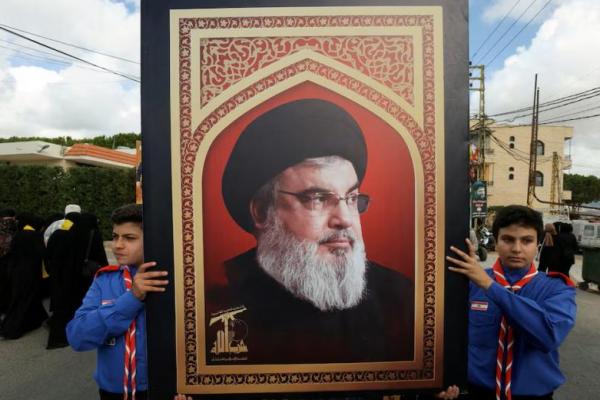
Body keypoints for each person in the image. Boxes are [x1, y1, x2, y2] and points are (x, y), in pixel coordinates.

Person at [206, 98, 414, 365]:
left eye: (351, 199)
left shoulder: (398, 298)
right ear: (261, 211)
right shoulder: (215, 298)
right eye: (317, 199)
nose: (344, 220)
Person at [447, 205, 576, 400]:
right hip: (476, 391)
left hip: (532, 395)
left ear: (538, 244)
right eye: (508, 239)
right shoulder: (469, 284)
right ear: (496, 242)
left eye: (526, 241)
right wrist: (444, 379)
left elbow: (548, 335)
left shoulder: (557, 288)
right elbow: (449, 337)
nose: (516, 249)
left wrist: (489, 286)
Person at [66, 204, 169, 400]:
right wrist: (131, 299)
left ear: (154, 239)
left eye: (129, 238)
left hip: (162, 388)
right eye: (115, 236)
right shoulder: (104, 281)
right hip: (114, 391)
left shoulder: (175, 283)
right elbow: (77, 337)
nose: (117, 245)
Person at [0, 213, 48, 339]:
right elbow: (42, 254)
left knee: (19, 299)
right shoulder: (36, 236)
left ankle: (33, 320)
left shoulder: (18, 235)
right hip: (31, 273)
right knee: (26, 299)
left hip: (16, 273)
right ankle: (12, 328)